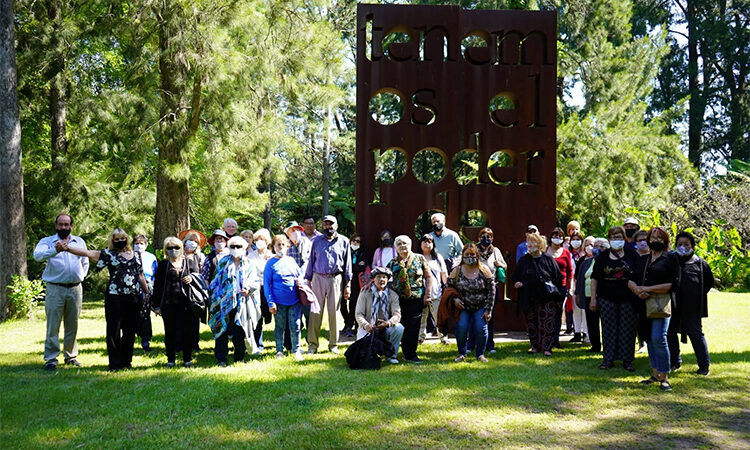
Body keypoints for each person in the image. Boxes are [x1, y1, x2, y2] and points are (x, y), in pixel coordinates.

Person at [66, 228, 150, 371]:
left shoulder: (136, 255)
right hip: (114, 297)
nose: (119, 241)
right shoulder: (108, 254)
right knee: (114, 331)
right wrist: (67, 248)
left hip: (134, 298)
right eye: (116, 239)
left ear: (127, 239)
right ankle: (115, 364)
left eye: (122, 238)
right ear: (112, 241)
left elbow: (140, 275)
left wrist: (147, 292)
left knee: (130, 331)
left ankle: (126, 362)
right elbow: (88, 253)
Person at [33, 213, 90, 371]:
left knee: (72, 324)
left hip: (75, 288)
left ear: (71, 226)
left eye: (66, 224)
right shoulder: (47, 242)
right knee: (53, 325)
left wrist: (81, 277)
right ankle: (51, 359)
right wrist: (54, 250)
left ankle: (70, 356)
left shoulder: (79, 241)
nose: (63, 227)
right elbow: (37, 256)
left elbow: (85, 261)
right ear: (56, 226)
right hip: (55, 288)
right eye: (60, 224)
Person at [631, 227, 680, 391]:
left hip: (661, 305)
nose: (655, 240)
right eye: (653, 237)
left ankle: (665, 377)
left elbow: (673, 284)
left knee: (659, 337)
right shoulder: (643, 259)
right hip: (642, 304)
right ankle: (655, 373)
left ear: (665, 240)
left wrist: (649, 289)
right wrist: (637, 290)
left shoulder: (670, 258)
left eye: (660, 237)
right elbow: (630, 280)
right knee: (649, 339)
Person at [590, 226, 639, 372]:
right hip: (606, 298)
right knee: (608, 329)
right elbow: (594, 278)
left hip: (628, 299)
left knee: (628, 330)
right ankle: (608, 359)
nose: (616, 240)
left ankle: (627, 360)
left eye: (619, 237)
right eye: (613, 237)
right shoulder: (602, 257)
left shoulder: (632, 255)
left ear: (624, 239)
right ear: (609, 239)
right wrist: (593, 299)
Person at [208, 236, 260, 366]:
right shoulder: (223, 262)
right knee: (222, 329)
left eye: (239, 247)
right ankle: (221, 358)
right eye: (233, 246)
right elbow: (215, 282)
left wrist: (248, 289)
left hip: (241, 300)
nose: (236, 249)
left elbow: (256, 281)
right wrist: (220, 298)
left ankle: (239, 357)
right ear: (229, 248)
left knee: (239, 329)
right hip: (223, 301)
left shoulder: (249, 263)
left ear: (244, 248)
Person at [304, 215, 352, 354]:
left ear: (336, 225)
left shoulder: (344, 241)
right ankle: (312, 345)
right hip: (317, 278)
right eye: (325, 224)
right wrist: (308, 280)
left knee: (334, 313)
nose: (328, 227)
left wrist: (347, 285)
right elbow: (311, 261)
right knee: (315, 312)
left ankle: (333, 345)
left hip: (335, 279)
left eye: (330, 224)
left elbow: (347, 264)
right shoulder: (317, 241)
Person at [668, 231, 714, 376]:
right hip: (672, 305)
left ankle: (704, 366)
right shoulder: (670, 260)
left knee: (696, 334)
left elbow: (708, 282)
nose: (683, 247)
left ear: (692, 246)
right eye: (679, 244)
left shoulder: (700, 263)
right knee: (670, 333)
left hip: (692, 307)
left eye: (686, 244)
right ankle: (675, 362)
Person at [151, 236, 201, 368]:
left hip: (187, 304)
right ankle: (171, 360)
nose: (174, 250)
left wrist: (191, 278)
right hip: (168, 304)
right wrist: (156, 306)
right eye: (170, 248)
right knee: (170, 332)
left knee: (187, 332)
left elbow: (198, 279)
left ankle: (187, 359)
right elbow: (157, 286)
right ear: (166, 250)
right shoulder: (163, 265)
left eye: (177, 247)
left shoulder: (189, 263)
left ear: (182, 248)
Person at [512, 233, 563, 356]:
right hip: (529, 297)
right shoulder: (524, 260)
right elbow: (515, 277)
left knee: (547, 322)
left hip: (546, 298)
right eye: (528, 244)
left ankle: (546, 347)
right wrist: (517, 283)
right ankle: (534, 346)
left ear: (540, 244)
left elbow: (558, 278)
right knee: (531, 323)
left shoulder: (548, 259)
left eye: (533, 243)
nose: (530, 246)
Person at [387, 235, 432, 363]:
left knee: (413, 327)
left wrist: (427, 295)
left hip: (416, 298)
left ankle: (410, 354)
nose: (402, 246)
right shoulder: (393, 262)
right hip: (398, 300)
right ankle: (393, 352)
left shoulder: (419, 258)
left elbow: (428, 277)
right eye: (399, 244)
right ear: (396, 247)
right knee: (400, 325)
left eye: (405, 243)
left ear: (410, 244)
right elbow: (383, 276)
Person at [449, 244, 496, 362]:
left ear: (477, 256)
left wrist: (488, 310)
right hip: (463, 306)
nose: (470, 257)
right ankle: (461, 353)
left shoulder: (484, 270)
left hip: (480, 306)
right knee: (462, 327)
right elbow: (448, 288)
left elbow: (492, 290)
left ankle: (480, 354)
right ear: (462, 256)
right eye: (467, 255)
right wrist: (454, 300)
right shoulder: (456, 270)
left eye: (472, 254)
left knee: (481, 328)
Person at [264, 235, 304, 361]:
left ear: (287, 246)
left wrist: (301, 280)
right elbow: (266, 284)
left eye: (283, 245)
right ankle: (279, 350)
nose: (281, 247)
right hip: (278, 301)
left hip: (294, 300)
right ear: (273, 247)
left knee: (296, 325)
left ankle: (296, 350)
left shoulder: (291, 260)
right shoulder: (270, 263)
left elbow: (300, 274)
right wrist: (271, 302)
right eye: (278, 245)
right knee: (280, 326)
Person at [355, 267, 404, 364]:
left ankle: (391, 355)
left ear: (387, 280)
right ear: (373, 279)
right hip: (367, 327)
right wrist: (366, 325)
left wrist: (388, 323)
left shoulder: (393, 295)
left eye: (384, 277)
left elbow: (397, 314)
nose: (381, 280)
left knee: (399, 328)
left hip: (385, 328)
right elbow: (359, 314)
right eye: (378, 277)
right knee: (362, 356)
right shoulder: (365, 293)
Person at [471, 227, 507, 353]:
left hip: (492, 286)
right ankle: (471, 344)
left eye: (489, 236)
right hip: (476, 286)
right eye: (483, 236)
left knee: (489, 316)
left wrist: (500, 265)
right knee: (474, 315)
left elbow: (505, 265)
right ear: (478, 238)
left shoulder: (495, 251)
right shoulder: (474, 249)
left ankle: (489, 344)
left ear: (492, 238)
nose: (486, 239)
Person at [179, 229, 206, 352]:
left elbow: (204, 274)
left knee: (194, 318)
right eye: (190, 240)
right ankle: (179, 343)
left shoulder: (200, 257)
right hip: (179, 290)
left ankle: (194, 343)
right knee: (180, 318)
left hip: (195, 292)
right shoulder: (178, 255)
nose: (192, 243)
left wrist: (193, 278)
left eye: (195, 241)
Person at [419, 234, 448, 344]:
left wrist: (446, 288)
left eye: (430, 242)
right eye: (425, 241)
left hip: (436, 292)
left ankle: (443, 337)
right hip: (420, 292)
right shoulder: (416, 257)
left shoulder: (438, 257)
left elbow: (443, 273)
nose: (427, 244)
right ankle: (420, 337)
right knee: (422, 316)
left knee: (439, 316)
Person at [546, 227, 574, 345]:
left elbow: (570, 272)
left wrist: (570, 287)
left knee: (558, 313)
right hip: (546, 286)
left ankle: (555, 340)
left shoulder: (566, 252)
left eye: (559, 237)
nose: (557, 239)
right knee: (547, 312)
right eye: (555, 236)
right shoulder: (545, 250)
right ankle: (546, 338)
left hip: (561, 287)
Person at [248, 228, 273, 352]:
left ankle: (284, 344)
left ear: (267, 241)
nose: (259, 242)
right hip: (255, 290)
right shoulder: (250, 256)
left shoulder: (272, 255)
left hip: (270, 290)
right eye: (257, 239)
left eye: (262, 239)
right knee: (257, 318)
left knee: (274, 315)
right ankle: (258, 344)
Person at [133, 235, 158, 352]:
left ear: (146, 245)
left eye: (142, 243)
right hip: (132, 287)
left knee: (145, 314)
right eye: (137, 243)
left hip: (147, 287)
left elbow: (155, 273)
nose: (139, 246)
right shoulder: (129, 256)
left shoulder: (151, 257)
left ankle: (145, 340)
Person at [341, 233, 369, 338]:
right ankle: (347, 323)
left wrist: (351, 267)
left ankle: (354, 327)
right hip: (344, 280)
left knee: (354, 304)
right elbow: (343, 266)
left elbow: (362, 267)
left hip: (357, 282)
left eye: (358, 241)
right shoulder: (345, 251)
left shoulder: (362, 253)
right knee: (342, 305)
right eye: (354, 240)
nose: (356, 243)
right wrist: (355, 266)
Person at [575, 236, 599, 352]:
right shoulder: (585, 262)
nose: (591, 248)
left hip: (602, 296)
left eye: (594, 245)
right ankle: (595, 345)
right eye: (588, 245)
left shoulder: (604, 261)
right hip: (588, 296)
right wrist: (577, 294)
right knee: (591, 322)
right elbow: (579, 279)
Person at [567, 230, 588, 343]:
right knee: (575, 310)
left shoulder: (585, 255)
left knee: (584, 310)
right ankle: (577, 332)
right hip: (572, 285)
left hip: (584, 285)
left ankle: (585, 332)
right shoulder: (568, 254)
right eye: (573, 239)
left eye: (578, 239)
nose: (576, 242)